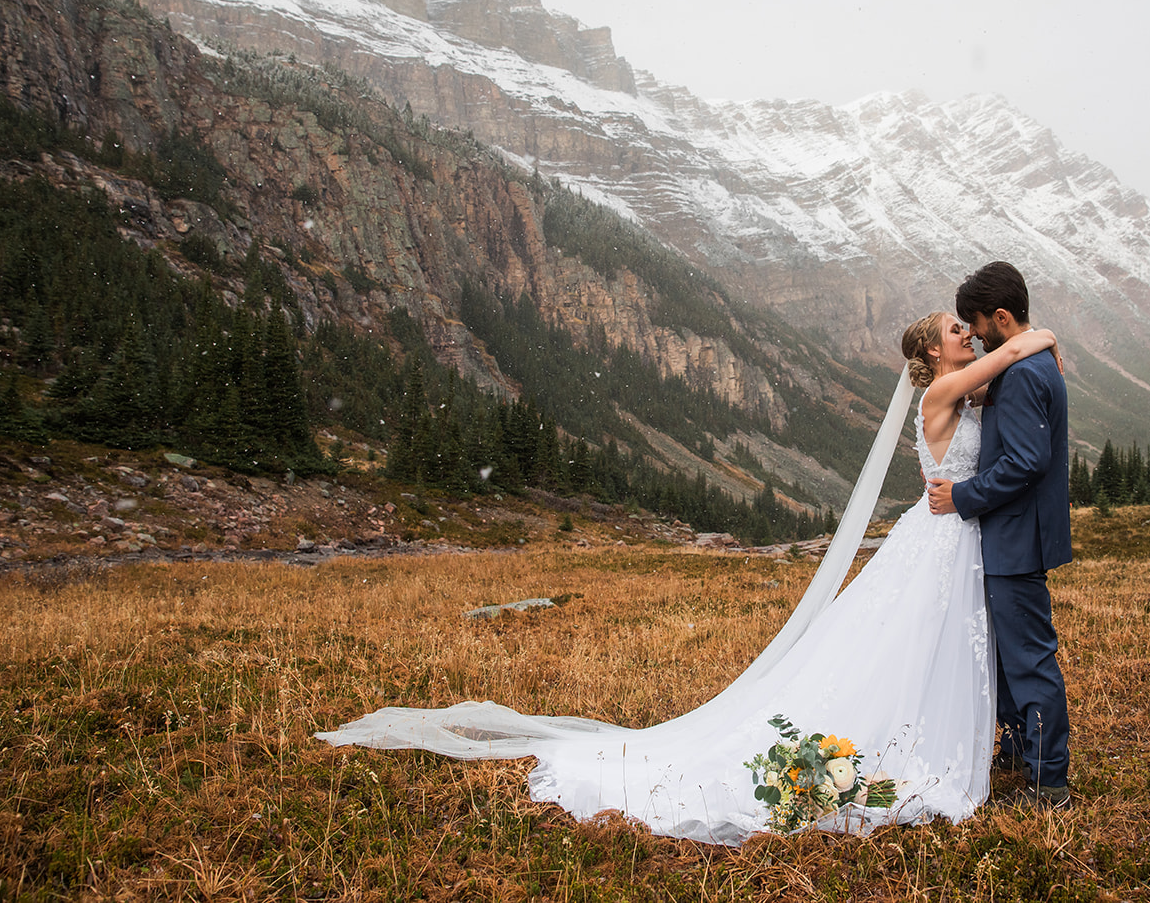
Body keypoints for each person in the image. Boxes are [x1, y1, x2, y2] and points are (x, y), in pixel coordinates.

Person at [316, 311, 1058, 844]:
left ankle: (940, 742)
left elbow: (1008, 394)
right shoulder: (939, 394)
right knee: (898, 646)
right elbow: (1003, 364)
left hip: (960, 539)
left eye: (971, 328)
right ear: (930, 350)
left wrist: (1028, 362)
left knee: (931, 648)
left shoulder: (969, 392)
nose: (969, 333)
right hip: (938, 538)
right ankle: (905, 752)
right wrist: (1034, 338)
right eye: (957, 330)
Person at [926, 261, 1072, 809]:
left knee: (1030, 659)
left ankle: (1048, 782)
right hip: (1012, 535)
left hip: (1016, 538)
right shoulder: (1030, 362)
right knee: (1009, 657)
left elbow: (1025, 463)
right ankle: (1015, 750)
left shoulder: (1024, 373)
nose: (977, 335)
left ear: (1002, 317)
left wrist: (962, 497)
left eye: (980, 324)